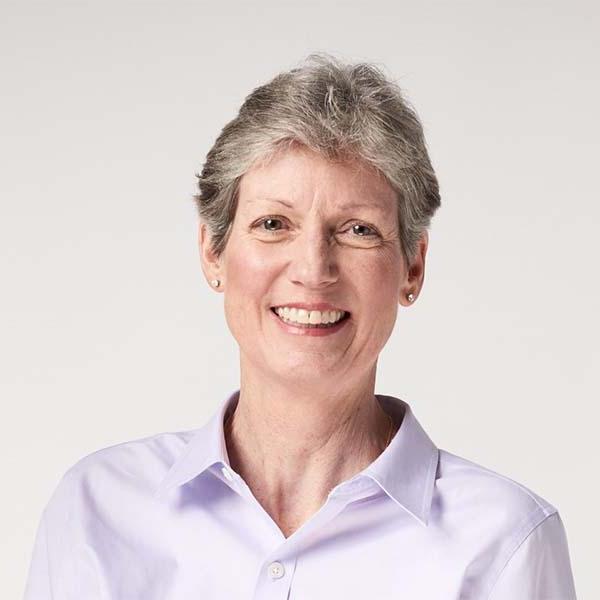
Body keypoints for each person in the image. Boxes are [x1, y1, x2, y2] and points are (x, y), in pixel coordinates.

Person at [23, 53, 577, 599]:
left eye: (358, 229)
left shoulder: (505, 543)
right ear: (213, 251)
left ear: (413, 267)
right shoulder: (96, 509)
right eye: (273, 224)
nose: (313, 270)